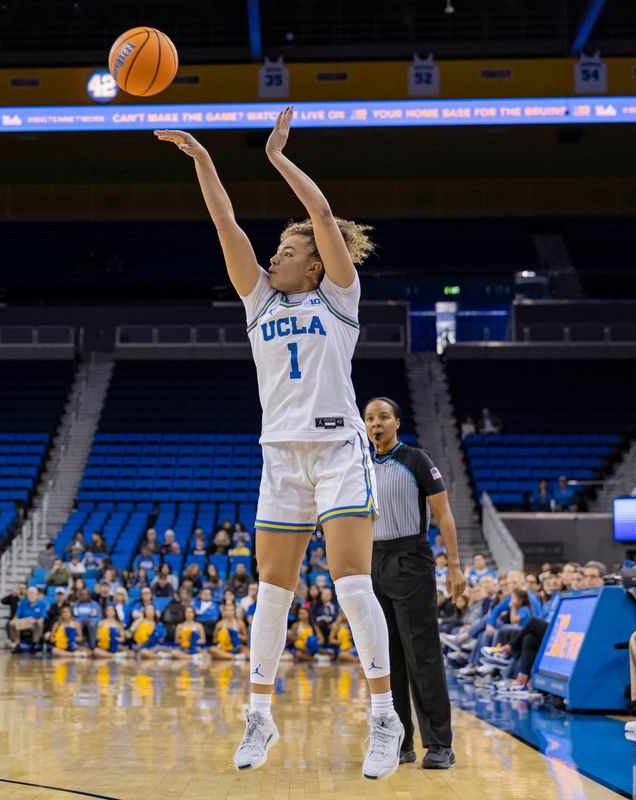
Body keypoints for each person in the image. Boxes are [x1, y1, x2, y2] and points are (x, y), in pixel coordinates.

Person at [156, 108, 400, 778]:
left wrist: (276, 156)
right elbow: (224, 226)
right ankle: (258, 718)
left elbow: (320, 213)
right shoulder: (259, 300)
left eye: (287, 253)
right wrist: (203, 160)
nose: (274, 256)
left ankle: (384, 716)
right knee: (272, 592)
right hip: (279, 457)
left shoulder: (339, 299)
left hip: (337, 455)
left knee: (352, 586)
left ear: (318, 265)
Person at [364, 396, 463, 769]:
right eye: (370, 418)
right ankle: (400, 741)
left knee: (421, 653)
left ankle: (440, 743)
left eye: (384, 417)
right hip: (373, 561)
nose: (376, 424)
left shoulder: (417, 460)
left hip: (411, 559)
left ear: (397, 423)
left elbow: (444, 515)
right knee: (387, 659)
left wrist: (454, 566)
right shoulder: (359, 464)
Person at [12, 586, 48, 652]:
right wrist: (14, 621)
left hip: (35, 623)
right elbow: (17, 616)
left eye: (33, 593)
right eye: (30, 593)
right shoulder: (22, 603)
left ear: (37, 595)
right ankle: (17, 644)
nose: (31, 595)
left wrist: (35, 621)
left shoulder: (42, 604)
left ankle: (34, 644)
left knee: (39, 624)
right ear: (27, 594)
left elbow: (42, 618)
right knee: (12, 624)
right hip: (24, 623)